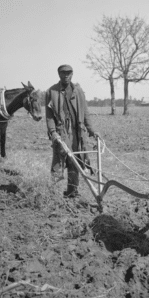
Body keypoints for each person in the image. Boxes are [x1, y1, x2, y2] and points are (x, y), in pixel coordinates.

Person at [45, 64, 100, 198]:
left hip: (77, 131)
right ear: (59, 74)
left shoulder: (78, 91)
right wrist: (53, 132)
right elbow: (49, 116)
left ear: (72, 74)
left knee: (76, 160)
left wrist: (92, 130)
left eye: (69, 73)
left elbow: (85, 113)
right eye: (63, 73)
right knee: (60, 160)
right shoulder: (51, 92)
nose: (66, 75)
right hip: (62, 131)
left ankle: (72, 191)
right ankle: (52, 193)